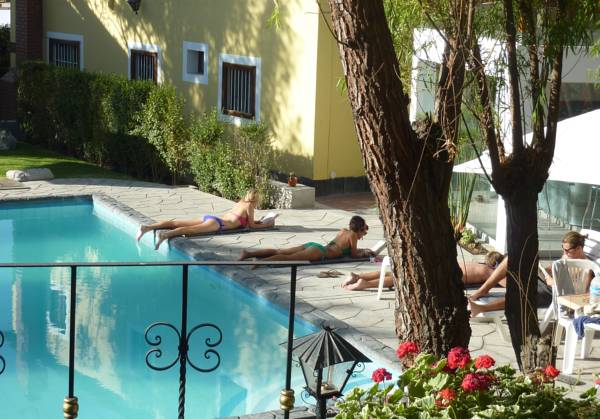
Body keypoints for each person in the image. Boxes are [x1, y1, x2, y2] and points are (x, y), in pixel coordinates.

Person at [469, 231, 590, 317]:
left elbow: (581, 295)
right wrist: (544, 271)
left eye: (568, 250)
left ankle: (481, 308)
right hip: (544, 279)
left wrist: (553, 283)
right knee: (514, 257)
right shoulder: (567, 256)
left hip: (552, 292)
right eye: (563, 249)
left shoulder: (587, 268)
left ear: (579, 249)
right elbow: (554, 269)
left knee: (525, 295)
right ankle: (483, 290)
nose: (564, 253)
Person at [136, 189, 274, 250]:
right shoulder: (250, 206)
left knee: (175, 222)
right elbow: (251, 226)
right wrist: (267, 225)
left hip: (211, 218)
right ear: (256, 199)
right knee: (190, 230)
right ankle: (165, 235)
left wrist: (258, 221)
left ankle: (147, 227)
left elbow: (246, 221)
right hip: (218, 224)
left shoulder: (241, 202)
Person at [237, 215, 374, 264]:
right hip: (319, 252)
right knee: (289, 259)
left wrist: (361, 248)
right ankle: (261, 262)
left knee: (281, 251)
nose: (364, 234)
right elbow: (353, 254)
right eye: (364, 230)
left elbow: (346, 247)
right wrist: (364, 252)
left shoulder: (343, 231)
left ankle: (248, 254)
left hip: (314, 246)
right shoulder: (353, 236)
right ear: (359, 229)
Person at [341, 251, 505, 291]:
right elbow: (504, 281)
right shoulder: (488, 271)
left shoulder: (476, 264)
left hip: (440, 267)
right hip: (442, 275)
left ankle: (359, 275)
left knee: (397, 274)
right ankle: (365, 284)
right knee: (403, 279)